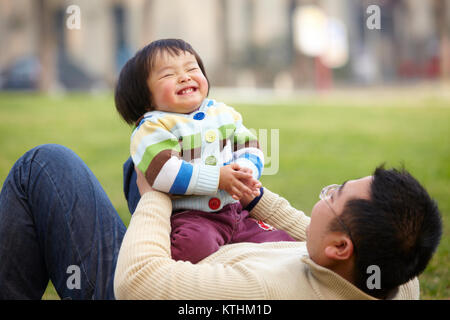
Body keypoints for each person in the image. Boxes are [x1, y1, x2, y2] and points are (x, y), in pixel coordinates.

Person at [0, 144, 441, 299]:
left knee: (44, 166)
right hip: (218, 256)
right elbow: (316, 230)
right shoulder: (398, 279)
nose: (323, 195)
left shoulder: (265, 293)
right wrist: (258, 199)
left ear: (340, 248)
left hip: (137, 287)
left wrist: (156, 196)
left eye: (334, 195)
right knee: (164, 162)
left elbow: (138, 285)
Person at [114, 38, 293, 263]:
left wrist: (244, 171)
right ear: (145, 99)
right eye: (168, 75)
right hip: (190, 219)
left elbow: (249, 144)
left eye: (191, 68)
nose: (185, 77)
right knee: (193, 249)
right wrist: (218, 178)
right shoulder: (152, 126)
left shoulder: (220, 112)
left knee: (281, 244)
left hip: (237, 214)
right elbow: (165, 172)